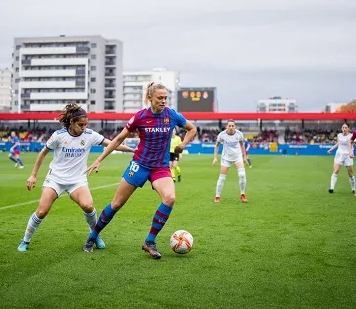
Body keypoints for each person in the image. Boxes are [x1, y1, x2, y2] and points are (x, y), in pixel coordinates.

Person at [82, 82, 197, 259]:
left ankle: (150, 241)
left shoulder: (172, 115)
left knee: (170, 198)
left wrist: (182, 144)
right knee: (117, 204)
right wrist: (99, 159)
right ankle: (92, 236)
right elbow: (119, 138)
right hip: (140, 166)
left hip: (160, 167)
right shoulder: (140, 117)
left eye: (165, 97)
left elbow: (192, 129)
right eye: (160, 98)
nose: (164, 101)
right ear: (149, 98)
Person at [17, 103, 136, 252]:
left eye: (86, 124)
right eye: (81, 124)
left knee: (88, 206)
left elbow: (113, 144)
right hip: (55, 179)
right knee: (42, 211)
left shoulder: (90, 135)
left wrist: (133, 150)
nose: (84, 127)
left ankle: (94, 235)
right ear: (72, 122)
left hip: (77, 180)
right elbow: (42, 154)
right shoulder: (58, 136)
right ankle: (25, 240)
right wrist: (33, 175)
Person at [213, 120, 249, 203]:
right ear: (227, 127)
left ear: (235, 126)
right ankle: (217, 196)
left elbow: (242, 144)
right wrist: (215, 158)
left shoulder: (239, 134)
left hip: (237, 157)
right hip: (226, 158)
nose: (231, 127)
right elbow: (217, 145)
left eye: (233, 126)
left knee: (242, 175)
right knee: (222, 178)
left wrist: (245, 157)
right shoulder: (222, 135)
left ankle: (242, 194)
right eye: (229, 126)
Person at [326, 123, 355, 194]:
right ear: (342, 128)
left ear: (348, 128)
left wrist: (352, 152)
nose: (344, 129)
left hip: (348, 155)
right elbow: (338, 143)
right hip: (339, 154)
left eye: (346, 127)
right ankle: (331, 188)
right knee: (336, 170)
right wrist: (331, 149)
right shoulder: (339, 135)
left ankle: (353, 189)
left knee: (350, 173)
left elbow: (354, 144)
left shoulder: (352, 136)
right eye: (343, 127)